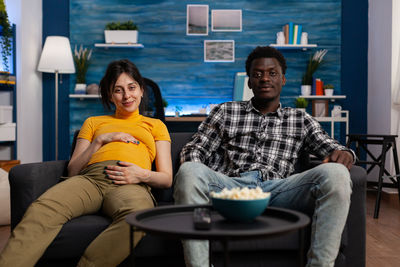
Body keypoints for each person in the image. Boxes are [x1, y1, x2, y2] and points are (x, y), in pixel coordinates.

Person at [173, 46, 355, 267]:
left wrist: (345, 153)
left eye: (272, 73)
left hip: (279, 190)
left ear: (283, 80)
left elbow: (330, 146)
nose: (265, 79)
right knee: (189, 169)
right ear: (249, 82)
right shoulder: (226, 111)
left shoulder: (300, 118)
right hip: (231, 188)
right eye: (257, 74)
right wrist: (203, 181)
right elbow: (193, 150)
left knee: (336, 173)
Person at [0, 59, 172, 267]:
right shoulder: (93, 122)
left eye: (131, 88)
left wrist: (140, 175)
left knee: (138, 216)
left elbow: (166, 178)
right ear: (110, 95)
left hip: (131, 182)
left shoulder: (155, 125)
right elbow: (73, 170)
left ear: (142, 90)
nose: (127, 96)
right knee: (41, 209)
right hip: (89, 180)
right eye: (118, 90)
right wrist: (100, 140)